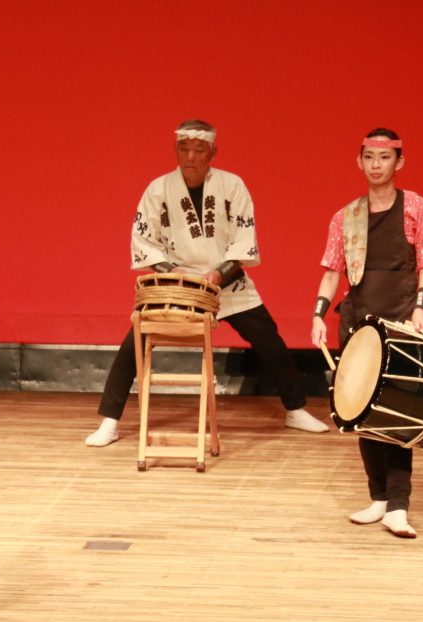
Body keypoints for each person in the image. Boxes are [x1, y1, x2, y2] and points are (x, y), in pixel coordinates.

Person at [85, 120, 328, 447]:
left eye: (199, 149)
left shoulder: (232, 186)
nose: (190, 156)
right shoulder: (158, 190)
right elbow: (144, 242)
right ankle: (109, 422)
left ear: (213, 152)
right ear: (175, 150)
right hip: (177, 285)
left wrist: (217, 274)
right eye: (183, 148)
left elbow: (243, 240)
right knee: (134, 342)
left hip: (226, 283)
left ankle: (295, 410)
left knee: (270, 341)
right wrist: (174, 274)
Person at [310, 128, 423, 539]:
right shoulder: (346, 216)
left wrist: (421, 307)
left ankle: (399, 506)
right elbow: (332, 271)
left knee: (398, 413)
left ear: (399, 162)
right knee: (361, 412)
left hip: (402, 320)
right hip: (358, 321)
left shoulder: (417, 208)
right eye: (369, 157)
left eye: (384, 158)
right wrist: (318, 314)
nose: (376, 165)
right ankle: (379, 499)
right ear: (359, 161)